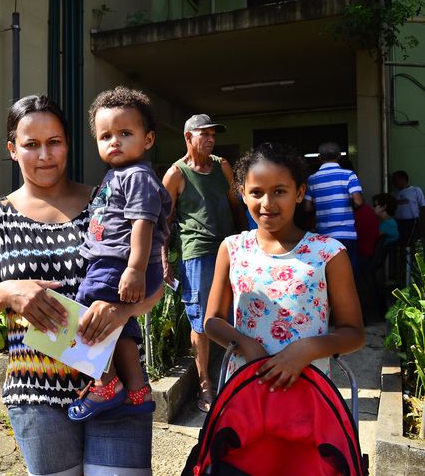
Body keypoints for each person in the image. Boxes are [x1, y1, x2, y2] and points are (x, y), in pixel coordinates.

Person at [0, 95, 161, 475]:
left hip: (116, 387)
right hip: (36, 393)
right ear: (12, 150)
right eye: (31, 144)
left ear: (68, 143)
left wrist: (122, 310)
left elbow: (154, 284)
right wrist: (8, 292)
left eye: (55, 142)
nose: (44, 154)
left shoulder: (107, 200)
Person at [204, 142, 365, 387]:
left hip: (309, 388)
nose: (267, 203)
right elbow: (212, 321)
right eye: (256, 192)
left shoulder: (329, 253)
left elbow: (353, 333)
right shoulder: (232, 248)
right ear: (242, 193)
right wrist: (245, 345)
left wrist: (308, 349)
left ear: (300, 193)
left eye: (280, 191)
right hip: (246, 386)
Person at [66, 87, 170, 421]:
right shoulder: (117, 175)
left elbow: (144, 222)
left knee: (82, 314)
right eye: (106, 135)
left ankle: (105, 382)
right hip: (115, 262)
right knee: (118, 326)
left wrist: (136, 269)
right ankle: (137, 389)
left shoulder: (138, 175)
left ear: (148, 139)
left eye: (126, 133)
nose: (115, 141)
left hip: (121, 263)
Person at [161, 114, 245, 413]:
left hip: (231, 249)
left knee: (237, 312)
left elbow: (236, 205)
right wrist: (164, 262)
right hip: (196, 253)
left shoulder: (222, 166)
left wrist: (247, 242)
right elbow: (165, 222)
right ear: (188, 137)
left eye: (213, 134)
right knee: (201, 321)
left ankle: (237, 379)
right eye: (204, 134)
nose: (210, 139)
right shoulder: (175, 174)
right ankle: (206, 385)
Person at [303, 142, 364, 270]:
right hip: (347, 235)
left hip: (324, 237)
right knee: (349, 274)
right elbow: (358, 201)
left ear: (319, 157)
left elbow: (307, 207)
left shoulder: (312, 179)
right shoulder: (348, 175)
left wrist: (322, 207)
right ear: (339, 156)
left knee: (327, 276)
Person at [392, 170, 425, 245]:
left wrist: (422, 224)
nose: (394, 183)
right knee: (400, 243)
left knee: (409, 243)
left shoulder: (415, 190)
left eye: (395, 180)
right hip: (398, 223)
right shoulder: (394, 194)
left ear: (403, 179)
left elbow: (423, 207)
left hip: (412, 222)